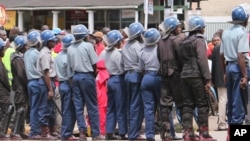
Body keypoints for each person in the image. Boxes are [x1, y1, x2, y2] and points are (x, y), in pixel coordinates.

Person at [179, 16, 216, 141]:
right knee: (202, 104)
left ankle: (188, 133)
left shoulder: (183, 41)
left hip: (184, 76)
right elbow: (202, 60)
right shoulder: (199, 40)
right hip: (196, 75)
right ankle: (203, 133)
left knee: (187, 105)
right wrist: (207, 79)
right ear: (199, 28)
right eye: (204, 27)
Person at [67, 24, 105, 141]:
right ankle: (95, 134)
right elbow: (95, 63)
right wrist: (92, 76)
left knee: (79, 107)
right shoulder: (88, 46)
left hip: (75, 77)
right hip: (87, 76)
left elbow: (69, 69)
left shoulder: (69, 48)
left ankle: (82, 133)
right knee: (92, 106)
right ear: (84, 36)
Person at [220, 4, 249, 141]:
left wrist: (225, 72)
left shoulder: (226, 33)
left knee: (231, 102)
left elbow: (221, 55)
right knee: (239, 103)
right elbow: (241, 55)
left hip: (229, 67)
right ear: (245, 19)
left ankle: (230, 134)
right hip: (238, 68)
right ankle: (238, 136)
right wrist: (245, 75)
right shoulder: (242, 32)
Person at [157, 16, 185, 141]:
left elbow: (159, 57)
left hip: (164, 75)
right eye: (178, 26)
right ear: (173, 29)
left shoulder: (160, 42)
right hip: (176, 75)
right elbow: (181, 58)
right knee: (182, 104)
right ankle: (187, 131)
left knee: (165, 105)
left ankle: (166, 133)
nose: (180, 28)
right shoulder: (177, 41)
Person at [99, 30, 128, 140]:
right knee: (120, 107)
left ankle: (109, 132)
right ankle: (122, 132)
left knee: (111, 107)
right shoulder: (117, 54)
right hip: (118, 79)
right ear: (118, 42)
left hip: (109, 79)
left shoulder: (104, 52)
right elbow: (121, 69)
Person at [121, 22, 145, 140]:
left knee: (129, 105)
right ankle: (134, 134)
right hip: (136, 75)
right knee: (136, 106)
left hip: (127, 76)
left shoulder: (125, 45)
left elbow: (122, 62)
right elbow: (142, 61)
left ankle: (130, 131)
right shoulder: (138, 46)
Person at [139, 28, 161, 141]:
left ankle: (150, 135)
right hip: (158, 77)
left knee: (148, 109)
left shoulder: (143, 51)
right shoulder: (160, 49)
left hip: (146, 77)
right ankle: (167, 132)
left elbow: (140, 68)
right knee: (163, 107)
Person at [54, 34, 77, 140]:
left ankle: (66, 132)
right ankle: (66, 134)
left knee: (65, 109)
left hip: (61, 84)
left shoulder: (58, 55)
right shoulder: (68, 57)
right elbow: (70, 75)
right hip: (68, 84)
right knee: (69, 110)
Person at [37, 30, 58, 140]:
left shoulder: (48, 52)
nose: (55, 42)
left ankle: (52, 131)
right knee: (44, 108)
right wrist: (50, 89)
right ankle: (45, 134)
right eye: (52, 41)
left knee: (50, 108)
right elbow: (46, 73)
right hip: (45, 83)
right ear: (47, 42)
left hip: (49, 82)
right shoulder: (45, 54)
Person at [24, 30, 42, 139]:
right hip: (36, 82)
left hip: (30, 82)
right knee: (37, 107)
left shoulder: (26, 53)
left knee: (33, 107)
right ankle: (35, 131)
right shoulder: (37, 53)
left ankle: (34, 129)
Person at [10, 36, 29, 139]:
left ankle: (20, 130)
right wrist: (27, 84)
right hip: (20, 87)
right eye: (25, 45)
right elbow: (21, 74)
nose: (27, 46)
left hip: (20, 86)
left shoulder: (19, 56)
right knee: (20, 109)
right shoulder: (17, 58)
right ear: (21, 46)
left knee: (23, 109)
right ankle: (15, 131)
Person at [211, 32, 228, 131]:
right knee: (224, 101)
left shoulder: (215, 49)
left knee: (222, 100)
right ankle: (222, 123)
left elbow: (213, 66)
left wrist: (213, 79)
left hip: (218, 78)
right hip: (225, 76)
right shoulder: (225, 47)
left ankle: (222, 122)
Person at [0, 38, 12, 140]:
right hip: (2, 92)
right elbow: (4, 79)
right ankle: (2, 132)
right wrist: (9, 88)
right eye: (2, 49)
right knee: (7, 109)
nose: (4, 51)